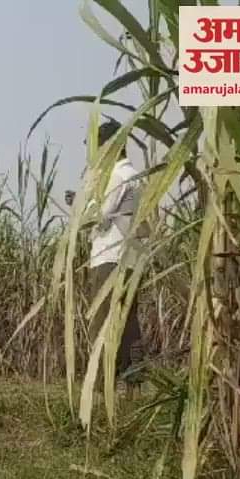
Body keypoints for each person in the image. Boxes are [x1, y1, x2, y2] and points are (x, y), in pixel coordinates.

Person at [83, 119, 147, 382]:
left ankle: (100, 386)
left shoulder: (116, 176)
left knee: (103, 322)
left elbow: (100, 216)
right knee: (128, 321)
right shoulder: (135, 175)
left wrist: (78, 208)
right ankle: (135, 379)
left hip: (110, 257)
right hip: (131, 258)